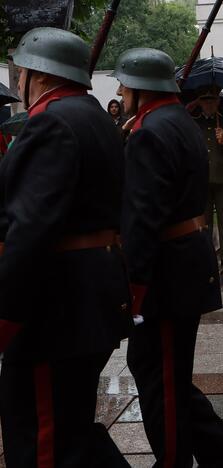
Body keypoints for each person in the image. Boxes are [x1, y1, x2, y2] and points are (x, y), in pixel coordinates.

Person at [0, 27, 132, 467]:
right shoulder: (94, 116)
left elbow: (31, 229)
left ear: (34, 74)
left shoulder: (50, 122)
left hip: (53, 308)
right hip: (92, 296)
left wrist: (6, 313)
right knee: (71, 430)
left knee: (41, 440)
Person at [112, 48, 223, 467]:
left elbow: (142, 217)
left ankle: (173, 460)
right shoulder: (177, 121)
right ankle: (217, 446)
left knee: (162, 377)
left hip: (166, 271)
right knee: (159, 368)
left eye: (123, 84)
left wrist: (133, 286)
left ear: (139, 89)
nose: (118, 90)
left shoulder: (151, 130)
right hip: (183, 261)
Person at [191, 85, 223, 289]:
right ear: (200, 102)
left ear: (218, 102)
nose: (209, 104)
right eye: (205, 100)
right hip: (201, 180)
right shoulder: (193, 122)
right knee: (204, 228)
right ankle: (207, 270)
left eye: (212, 100)